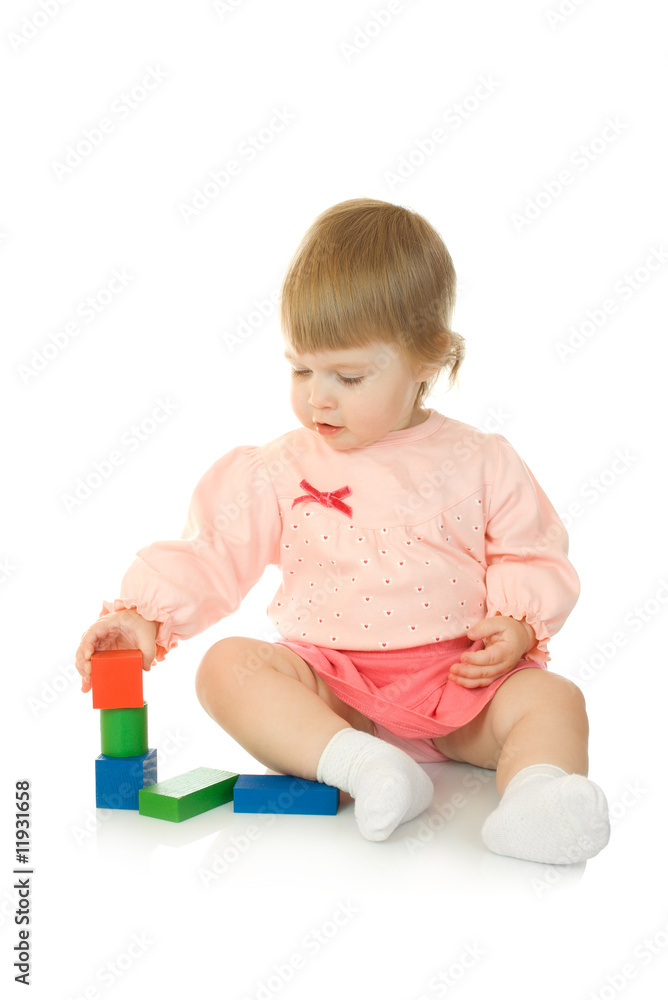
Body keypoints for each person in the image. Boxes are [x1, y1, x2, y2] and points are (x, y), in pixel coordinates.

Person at [75, 198, 610, 864]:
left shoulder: (479, 460)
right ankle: (362, 766)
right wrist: (140, 620)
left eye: (348, 376)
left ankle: (537, 799)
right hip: (334, 688)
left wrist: (521, 626)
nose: (317, 398)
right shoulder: (280, 468)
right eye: (301, 370)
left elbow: (531, 550)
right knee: (226, 668)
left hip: (463, 685)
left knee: (553, 699)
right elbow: (213, 553)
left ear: (428, 358)